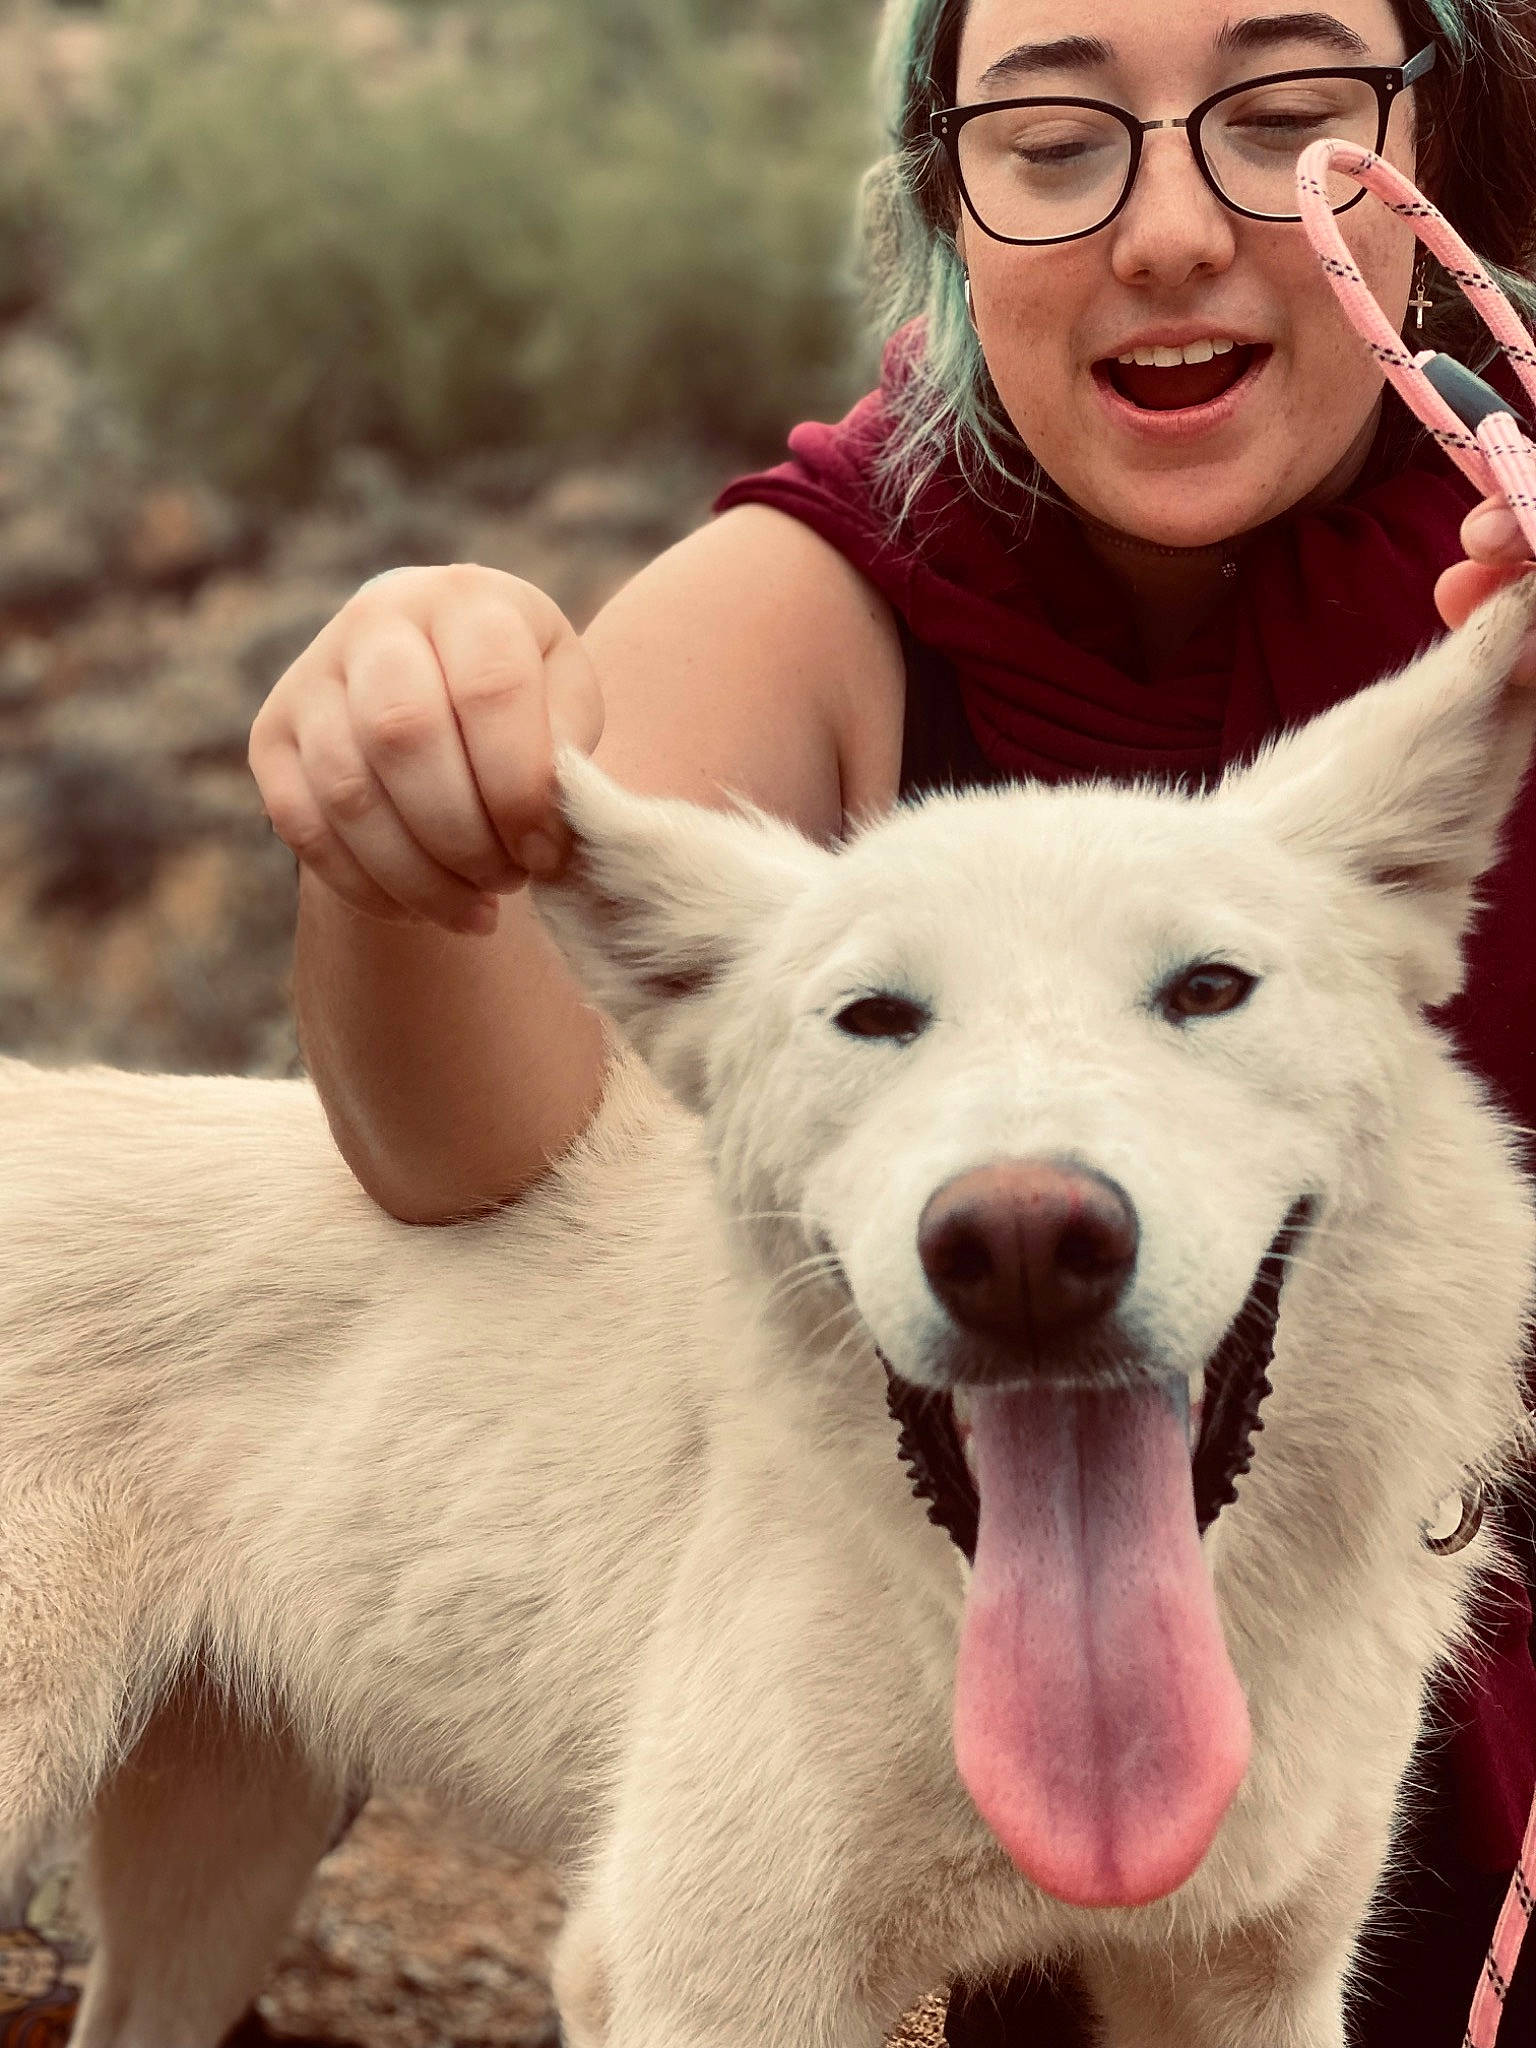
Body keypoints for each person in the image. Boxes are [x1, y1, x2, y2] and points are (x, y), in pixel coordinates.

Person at [250, 1, 1536, 2040]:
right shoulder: (808, 593)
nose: (1177, 229)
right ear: (942, 195)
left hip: (1413, 1666)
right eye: (1052, 137)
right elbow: (472, 1148)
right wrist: (402, 815)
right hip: (926, 1778)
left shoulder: (1504, 607)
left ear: (1429, 162)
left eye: (1287, 115)